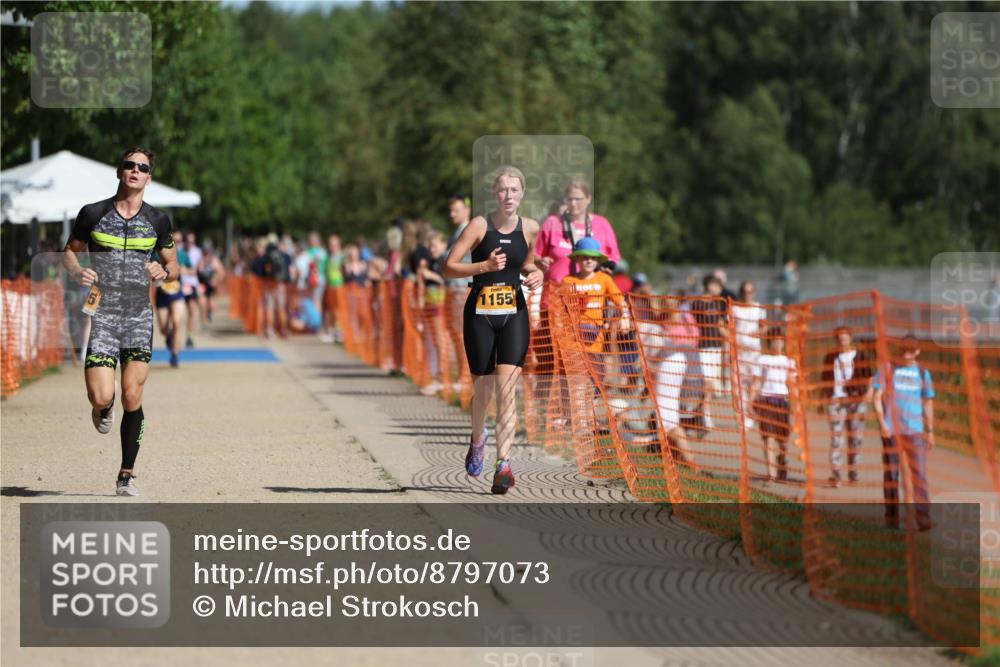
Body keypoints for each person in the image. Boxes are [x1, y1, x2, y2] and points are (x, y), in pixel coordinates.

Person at [62, 147, 178, 496]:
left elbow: (174, 264)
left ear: (149, 178)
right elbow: (70, 251)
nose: (135, 171)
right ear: (119, 172)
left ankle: (127, 473)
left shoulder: (158, 220)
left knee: (132, 394)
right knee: (101, 395)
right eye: (129, 165)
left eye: (142, 168)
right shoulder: (93, 213)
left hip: (139, 316)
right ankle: (103, 407)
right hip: (104, 313)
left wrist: (164, 269)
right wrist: (78, 270)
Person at [444, 166, 543, 495]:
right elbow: (448, 266)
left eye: (514, 190)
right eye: (503, 190)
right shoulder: (478, 225)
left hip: (514, 312)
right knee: (483, 390)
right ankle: (477, 439)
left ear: (522, 194)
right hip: (480, 315)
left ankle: (504, 465)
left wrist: (535, 273)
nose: (509, 196)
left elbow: (528, 262)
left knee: (506, 390)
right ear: (494, 194)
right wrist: (483, 267)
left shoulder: (530, 228)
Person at [872, 335, 934, 530]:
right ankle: (891, 519)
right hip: (892, 432)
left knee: (920, 475)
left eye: (911, 350)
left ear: (918, 351)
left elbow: (928, 402)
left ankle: (923, 518)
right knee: (891, 475)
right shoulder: (888, 368)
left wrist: (930, 430)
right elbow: (876, 397)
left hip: (915, 432)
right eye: (904, 349)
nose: (906, 353)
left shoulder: (923, 373)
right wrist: (883, 423)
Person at [636, 297, 699, 466]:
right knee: (668, 419)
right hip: (675, 366)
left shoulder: (653, 326)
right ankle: (677, 460)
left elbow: (650, 360)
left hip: (669, 367)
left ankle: (689, 462)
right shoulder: (657, 325)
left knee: (668, 420)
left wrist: (646, 383)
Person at [821, 326, 873, 487]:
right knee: (836, 440)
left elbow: (870, 377)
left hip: (856, 403)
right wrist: (822, 399)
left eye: (845, 338)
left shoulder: (860, 356)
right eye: (839, 339)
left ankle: (854, 473)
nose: (842, 341)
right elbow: (825, 379)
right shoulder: (830, 357)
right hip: (836, 402)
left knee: (855, 439)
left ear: (850, 338)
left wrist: (869, 393)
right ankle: (836, 476)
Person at [750, 330, 798, 483]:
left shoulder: (789, 361)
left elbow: (792, 385)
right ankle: (771, 474)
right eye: (774, 341)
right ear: (769, 342)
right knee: (768, 438)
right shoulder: (763, 359)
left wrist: (797, 405)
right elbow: (756, 381)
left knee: (782, 440)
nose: (777, 344)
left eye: (780, 341)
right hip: (765, 400)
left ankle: (781, 460)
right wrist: (750, 402)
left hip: (782, 402)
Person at [691, 273, 728, 434]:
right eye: (717, 286)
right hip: (703, 347)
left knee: (710, 384)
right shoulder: (698, 304)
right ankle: (704, 415)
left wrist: (730, 341)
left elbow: (721, 325)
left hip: (717, 347)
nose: (720, 290)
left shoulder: (719, 304)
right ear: (710, 285)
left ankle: (699, 413)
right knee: (707, 383)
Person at [731, 281, 767, 431]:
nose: (748, 294)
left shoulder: (759, 308)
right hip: (739, 351)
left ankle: (753, 408)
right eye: (745, 291)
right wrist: (733, 341)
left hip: (754, 352)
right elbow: (728, 327)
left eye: (750, 291)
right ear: (741, 292)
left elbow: (764, 327)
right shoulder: (734, 308)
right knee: (740, 385)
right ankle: (744, 418)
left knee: (755, 384)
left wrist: (757, 333)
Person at [154, 234, 187, 368]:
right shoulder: (156, 255)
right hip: (162, 294)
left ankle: (175, 355)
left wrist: (185, 271)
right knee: (163, 328)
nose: (177, 243)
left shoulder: (182, 255)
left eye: (179, 241)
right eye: (175, 241)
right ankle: (169, 337)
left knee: (177, 322)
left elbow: (190, 270)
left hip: (177, 292)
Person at [195, 239, 225, 323]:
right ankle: (203, 319)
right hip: (203, 284)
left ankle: (209, 313)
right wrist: (201, 266)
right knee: (202, 301)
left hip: (212, 285)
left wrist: (216, 281)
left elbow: (222, 272)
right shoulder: (201, 260)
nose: (206, 253)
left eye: (207, 251)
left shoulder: (214, 260)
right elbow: (197, 271)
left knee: (211, 304)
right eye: (205, 251)